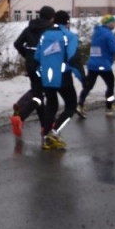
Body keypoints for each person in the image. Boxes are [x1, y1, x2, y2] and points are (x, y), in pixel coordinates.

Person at [35, 10, 85, 150]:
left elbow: (37, 56)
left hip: (46, 77)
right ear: (67, 22)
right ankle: (54, 132)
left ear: (53, 21)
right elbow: (73, 59)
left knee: (51, 106)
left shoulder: (44, 35)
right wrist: (83, 78)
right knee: (71, 105)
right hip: (63, 77)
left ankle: (46, 136)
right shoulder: (69, 36)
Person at [10, 5, 55, 138]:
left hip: (30, 64)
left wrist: (27, 55)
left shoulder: (30, 27)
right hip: (44, 64)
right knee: (39, 94)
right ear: (51, 17)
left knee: (38, 93)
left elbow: (17, 44)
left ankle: (44, 125)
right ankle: (20, 116)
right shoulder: (51, 30)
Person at [77, 14, 115, 118]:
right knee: (110, 85)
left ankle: (80, 105)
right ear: (109, 23)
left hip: (92, 64)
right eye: (113, 22)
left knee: (88, 86)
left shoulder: (96, 33)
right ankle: (109, 107)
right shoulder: (109, 34)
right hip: (104, 65)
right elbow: (114, 49)